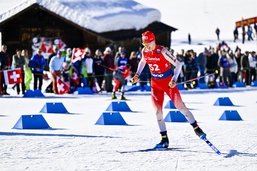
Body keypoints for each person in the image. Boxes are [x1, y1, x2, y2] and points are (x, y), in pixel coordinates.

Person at [130, 31, 206, 149]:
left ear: (153, 40)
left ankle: (196, 128)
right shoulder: (145, 51)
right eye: (144, 44)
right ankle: (164, 139)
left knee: (181, 107)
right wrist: (137, 74)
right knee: (158, 112)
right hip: (155, 84)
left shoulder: (163, 51)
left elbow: (179, 65)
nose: (146, 46)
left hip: (168, 83)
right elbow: (143, 61)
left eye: (148, 43)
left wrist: (174, 79)